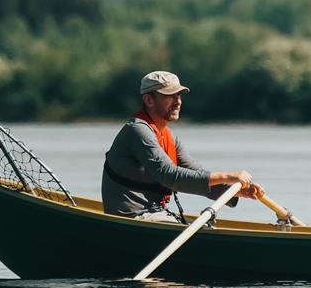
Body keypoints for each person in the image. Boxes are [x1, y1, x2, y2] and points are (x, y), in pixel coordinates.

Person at [101, 70, 263, 221]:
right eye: (170, 95)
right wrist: (228, 176)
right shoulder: (137, 131)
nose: (178, 101)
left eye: (179, 95)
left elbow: (197, 175)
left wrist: (235, 191)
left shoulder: (168, 137)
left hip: (155, 213)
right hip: (132, 215)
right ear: (149, 100)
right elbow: (170, 176)